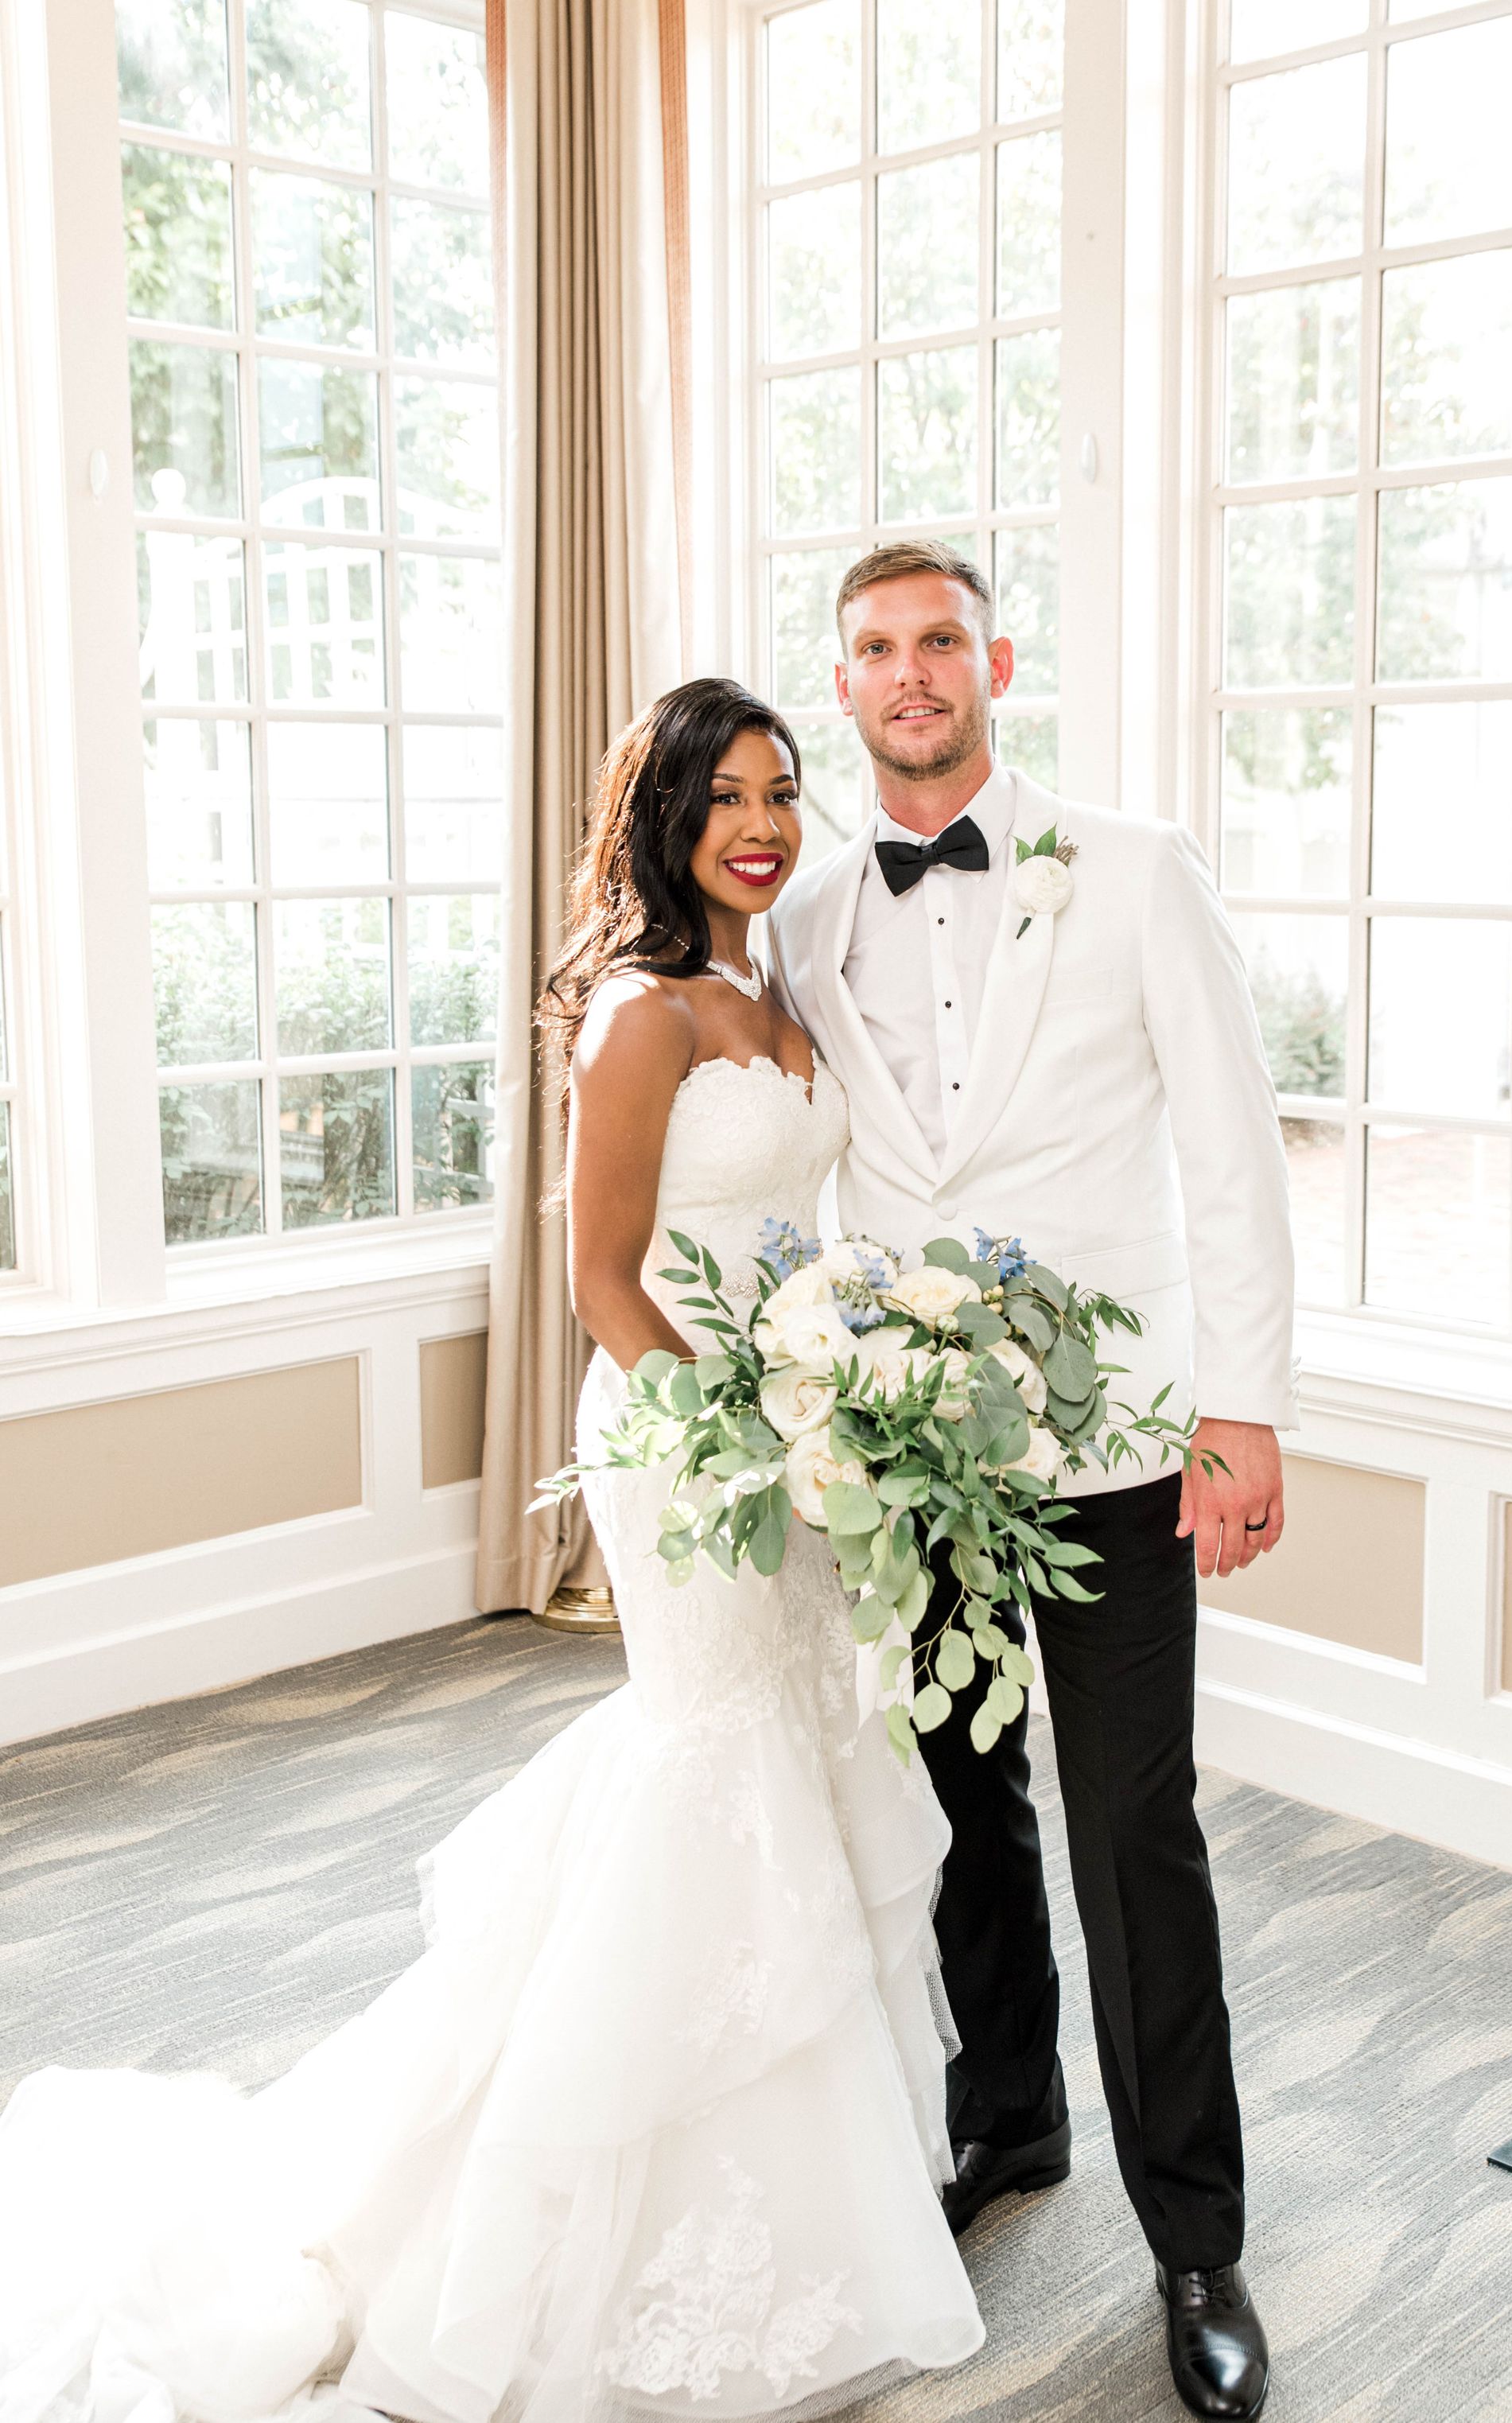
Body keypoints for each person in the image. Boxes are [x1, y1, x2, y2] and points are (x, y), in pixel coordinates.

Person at [0, 679, 984, 2421]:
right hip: (687, 1437)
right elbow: (606, 1277)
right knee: (715, 1760)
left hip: (801, 1427)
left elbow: (804, 1222)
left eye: (779, 792)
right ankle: (558, 2197)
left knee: (806, 1757)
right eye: (723, 798)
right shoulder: (638, 1016)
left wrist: (847, 1393)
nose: (760, 825)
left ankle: (822, 2194)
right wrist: (749, 1424)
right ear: (664, 816)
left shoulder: (772, 988)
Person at [767, 538, 1296, 2423]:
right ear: (844, 683)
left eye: (937, 642)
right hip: (911, 1451)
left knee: (1134, 1830)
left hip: (1116, 1442)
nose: (909, 675)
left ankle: (1199, 2238)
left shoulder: (1139, 871)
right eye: (873, 651)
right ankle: (1010, 2114)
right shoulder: (807, 910)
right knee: (957, 1800)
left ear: (997, 656)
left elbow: (1234, 1155)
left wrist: (1245, 1411)